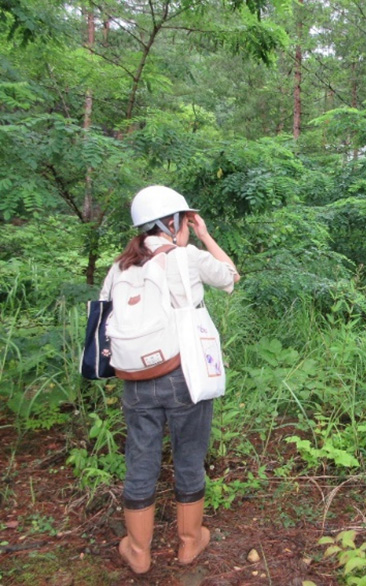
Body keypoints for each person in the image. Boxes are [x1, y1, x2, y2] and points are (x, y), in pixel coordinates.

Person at [100, 185, 240, 574]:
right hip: (184, 375)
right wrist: (205, 236)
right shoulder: (187, 257)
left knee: (140, 460)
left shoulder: (120, 267)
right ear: (173, 222)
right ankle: (189, 543)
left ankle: (139, 552)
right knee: (189, 457)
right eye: (185, 220)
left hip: (135, 378)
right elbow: (231, 275)